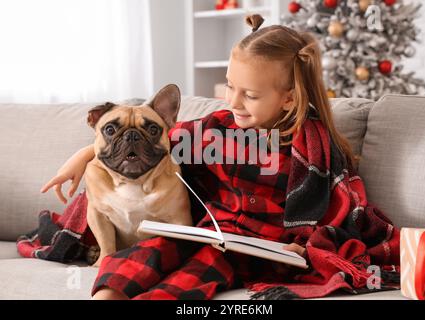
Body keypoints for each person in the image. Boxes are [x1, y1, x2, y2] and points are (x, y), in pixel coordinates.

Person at [41, 15, 398, 300]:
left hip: (269, 251)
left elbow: (340, 214)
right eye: (230, 86)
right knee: (154, 250)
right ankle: (107, 295)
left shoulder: (315, 148)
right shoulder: (215, 130)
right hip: (213, 234)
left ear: (288, 98)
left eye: (251, 95)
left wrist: (303, 247)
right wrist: (84, 154)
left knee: (204, 266)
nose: (234, 101)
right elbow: (155, 143)